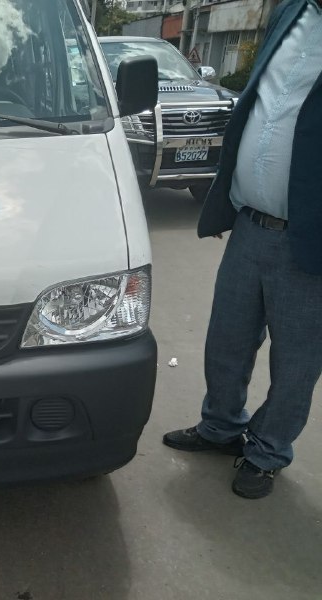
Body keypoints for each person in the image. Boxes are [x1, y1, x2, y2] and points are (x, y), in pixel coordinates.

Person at [163, 0, 322, 499]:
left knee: (296, 362)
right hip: (250, 223)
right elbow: (262, 104)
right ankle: (220, 426)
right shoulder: (291, 12)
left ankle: (268, 450)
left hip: (308, 241)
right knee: (227, 340)